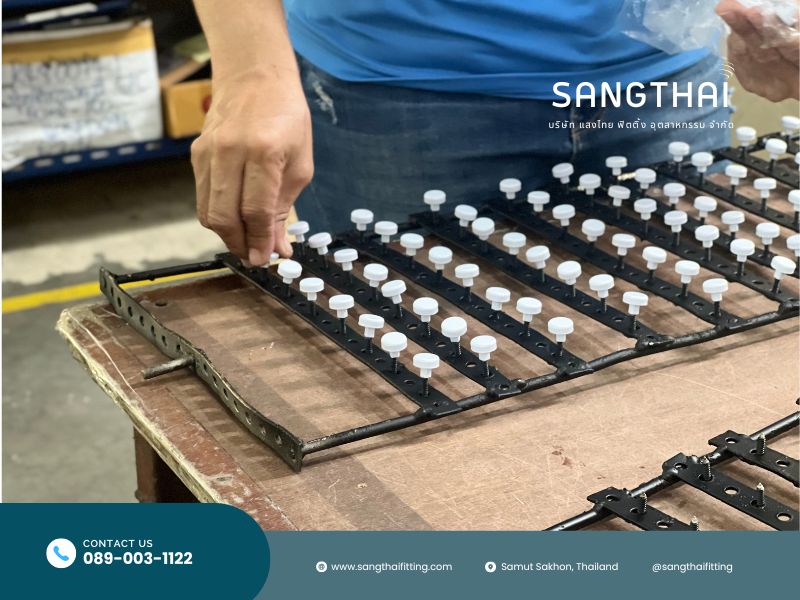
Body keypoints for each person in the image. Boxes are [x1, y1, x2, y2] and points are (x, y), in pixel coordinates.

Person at [190, 0, 799, 266]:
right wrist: (253, 70)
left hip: (663, 77)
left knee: (687, 351)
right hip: (401, 91)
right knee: (414, 369)